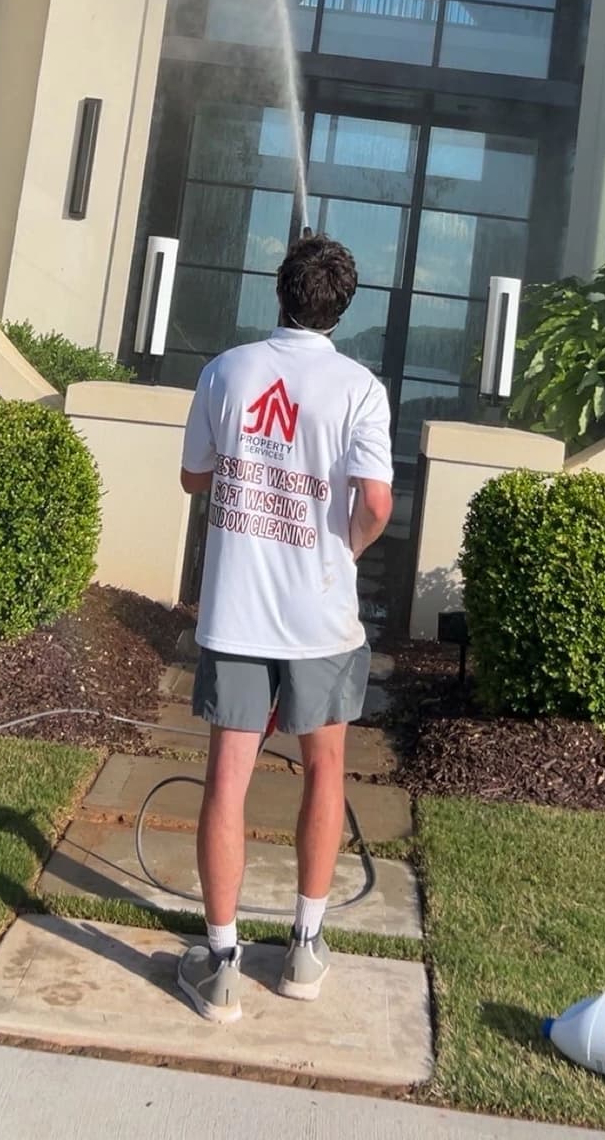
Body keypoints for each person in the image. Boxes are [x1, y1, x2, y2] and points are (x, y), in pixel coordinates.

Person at [176, 233, 393, 1025]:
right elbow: (374, 503)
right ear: (342, 306)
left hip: (237, 611)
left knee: (228, 777)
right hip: (322, 616)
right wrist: (346, 550)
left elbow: (194, 475)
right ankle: (304, 949)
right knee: (325, 770)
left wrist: (248, 460)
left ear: (280, 292)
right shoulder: (360, 388)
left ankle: (223, 965)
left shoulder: (226, 371)